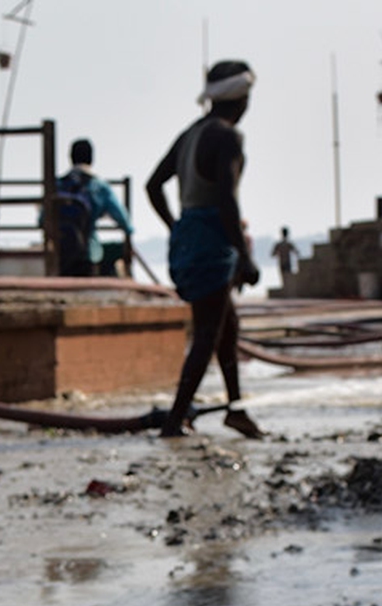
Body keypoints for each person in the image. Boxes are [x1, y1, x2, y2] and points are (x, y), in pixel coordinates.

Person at [146, 59, 263, 440]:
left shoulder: (190, 134)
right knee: (208, 332)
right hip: (213, 240)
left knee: (228, 326)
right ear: (241, 99)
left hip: (190, 238)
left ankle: (236, 409)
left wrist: (177, 227)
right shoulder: (227, 136)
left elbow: (153, 185)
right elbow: (227, 199)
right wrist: (244, 257)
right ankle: (174, 420)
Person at [54, 139, 135, 278]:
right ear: (92, 158)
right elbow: (124, 222)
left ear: (71, 158)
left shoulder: (58, 185)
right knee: (118, 250)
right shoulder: (98, 187)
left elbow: (42, 219)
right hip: (87, 254)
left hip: (59, 254)